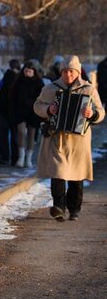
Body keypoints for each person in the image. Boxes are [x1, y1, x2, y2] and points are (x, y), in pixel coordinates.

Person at [34, 55, 104, 221]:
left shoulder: (88, 89)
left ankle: (74, 208)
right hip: (56, 138)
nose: (68, 75)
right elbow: (37, 106)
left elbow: (100, 111)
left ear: (78, 72)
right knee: (57, 173)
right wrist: (49, 109)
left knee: (76, 177)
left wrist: (92, 114)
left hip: (79, 141)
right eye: (65, 71)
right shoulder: (51, 88)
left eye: (71, 71)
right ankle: (59, 206)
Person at [9, 60, 45, 168]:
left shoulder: (39, 83)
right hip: (20, 111)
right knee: (21, 131)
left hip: (33, 112)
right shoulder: (18, 81)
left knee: (31, 135)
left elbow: (42, 97)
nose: (27, 73)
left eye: (29, 71)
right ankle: (21, 157)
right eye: (26, 71)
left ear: (34, 72)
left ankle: (28, 159)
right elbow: (12, 96)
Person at [0, 59, 21, 165]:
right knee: (15, 136)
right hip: (14, 112)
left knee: (3, 135)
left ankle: (4, 157)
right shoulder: (19, 79)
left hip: (3, 111)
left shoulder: (5, 78)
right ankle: (15, 158)